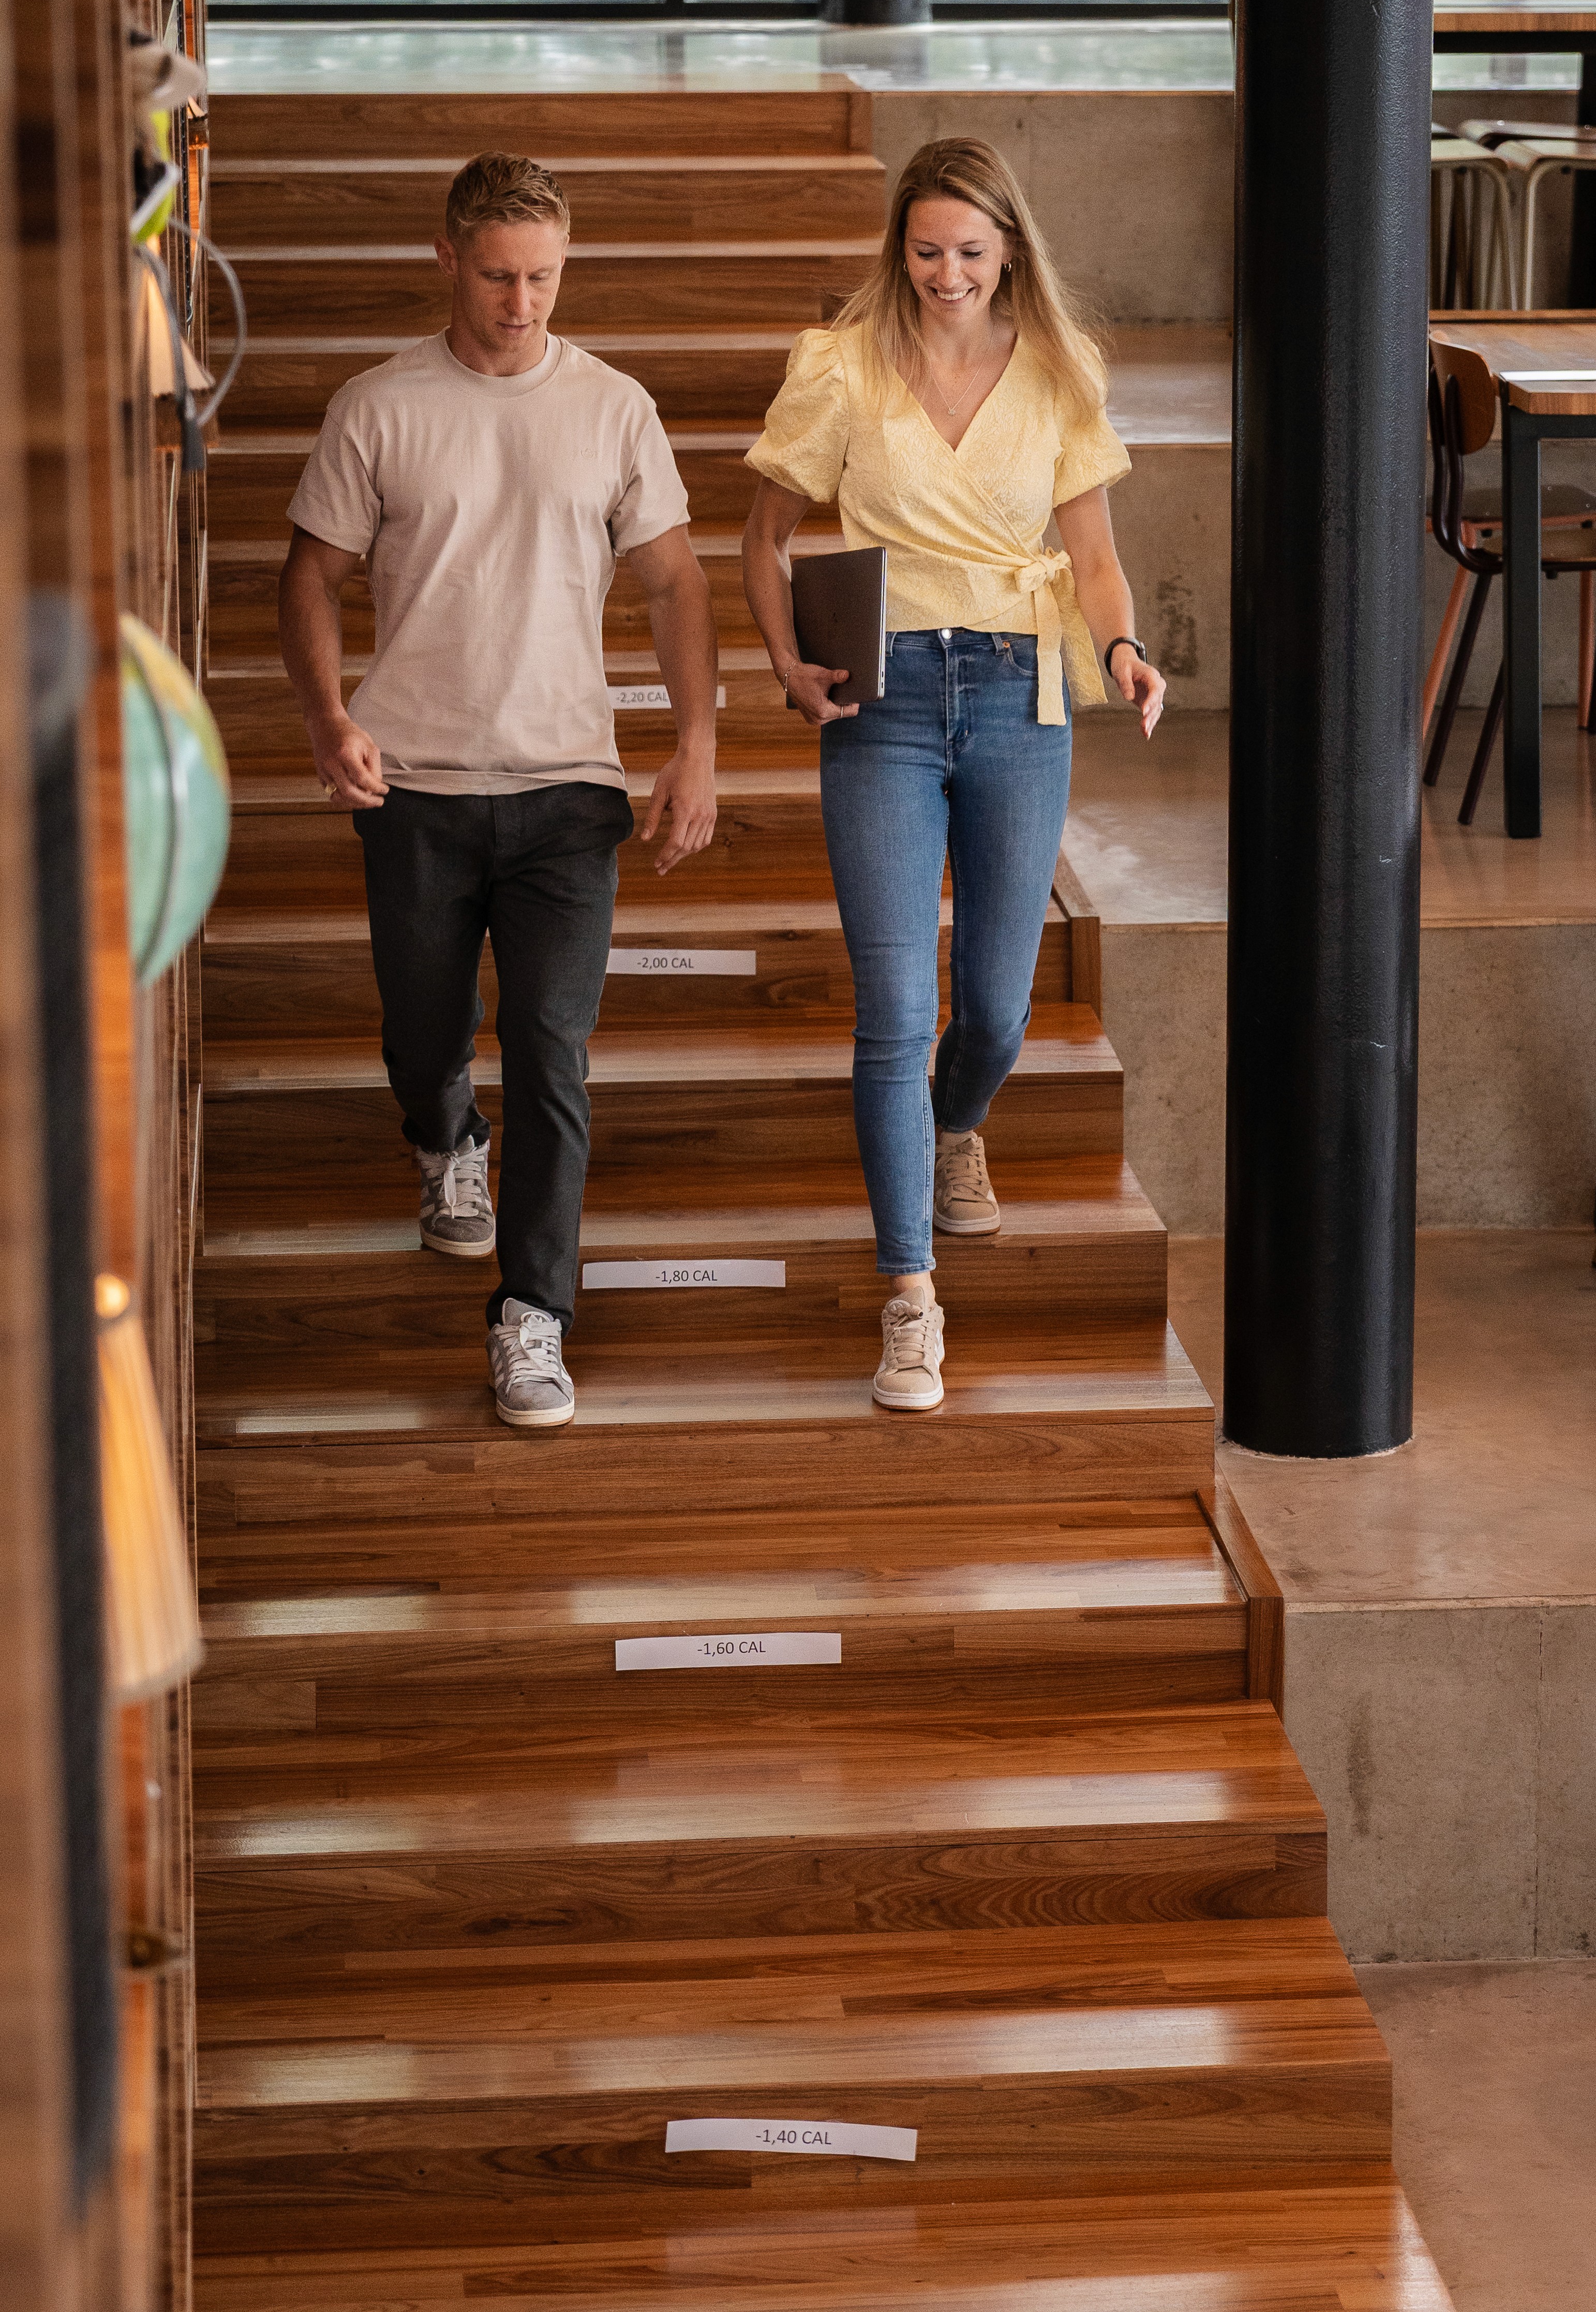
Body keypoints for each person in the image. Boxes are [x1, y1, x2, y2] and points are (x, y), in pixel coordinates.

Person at [277, 151, 718, 1430]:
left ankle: (533, 1317)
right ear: (446, 260)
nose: (523, 302)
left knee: (550, 1047)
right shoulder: (379, 404)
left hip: (567, 792)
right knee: (426, 1030)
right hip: (409, 781)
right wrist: (326, 713)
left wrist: (695, 740)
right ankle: (443, 1140)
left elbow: (676, 582)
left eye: (543, 278)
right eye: (498, 276)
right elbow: (308, 573)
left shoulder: (613, 406)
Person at [741, 136, 1166, 1415]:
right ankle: (910, 1297)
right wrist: (782, 660)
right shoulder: (841, 365)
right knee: (893, 1008)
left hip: (1018, 693)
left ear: (1010, 251)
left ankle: (955, 1125)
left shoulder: (1058, 369)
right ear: (899, 249)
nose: (945, 274)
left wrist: (1126, 647)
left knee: (992, 1004)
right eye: (925, 250)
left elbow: (1091, 558)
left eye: (969, 252)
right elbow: (764, 538)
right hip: (880, 694)